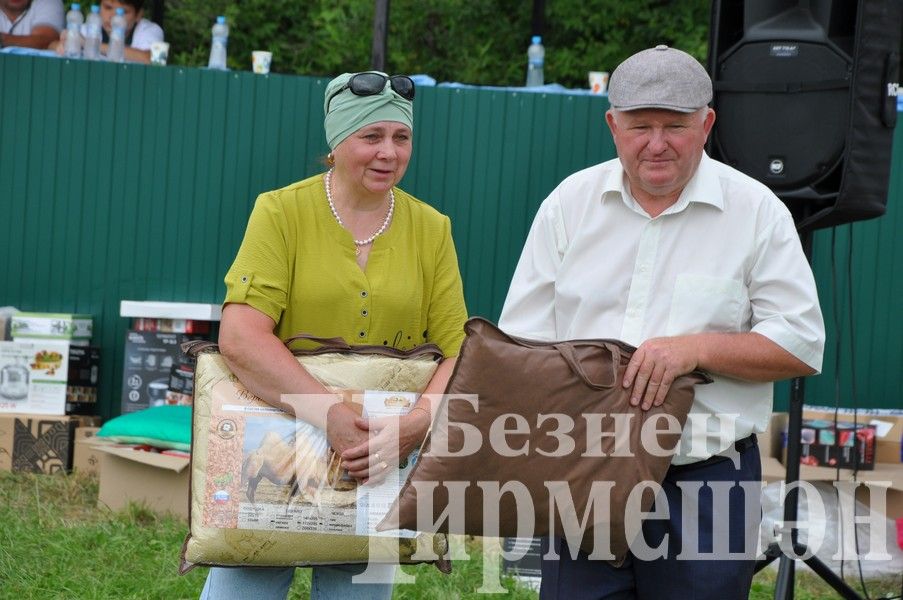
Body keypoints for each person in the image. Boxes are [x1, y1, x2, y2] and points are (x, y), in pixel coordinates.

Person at [498, 45, 825, 600]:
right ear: (612, 125)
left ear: (707, 124)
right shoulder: (568, 205)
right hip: (585, 477)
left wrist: (695, 349)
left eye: (674, 126)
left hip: (705, 483)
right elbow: (520, 344)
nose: (656, 143)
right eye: (640, 126)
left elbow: (800, 345)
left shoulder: (757, 211)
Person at [200, 71, 468, 599]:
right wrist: (330, 416)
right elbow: (241, 335)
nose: (388, 153)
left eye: (401, 137)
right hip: (272, 444)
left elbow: (461, 352)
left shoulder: (432, 228)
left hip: (376, 457)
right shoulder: (280, 212)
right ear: (337, 139)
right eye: (371, 137)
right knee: (244, 583)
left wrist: (416, 424)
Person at [51, 0, 163, 63]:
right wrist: (62, 44)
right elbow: (50, 45)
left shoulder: (150, 30)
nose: (113, 17)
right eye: (108, 8)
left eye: (122, 12)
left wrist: (89, 43)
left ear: (138, 15)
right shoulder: (90, 27)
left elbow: (155, 59)